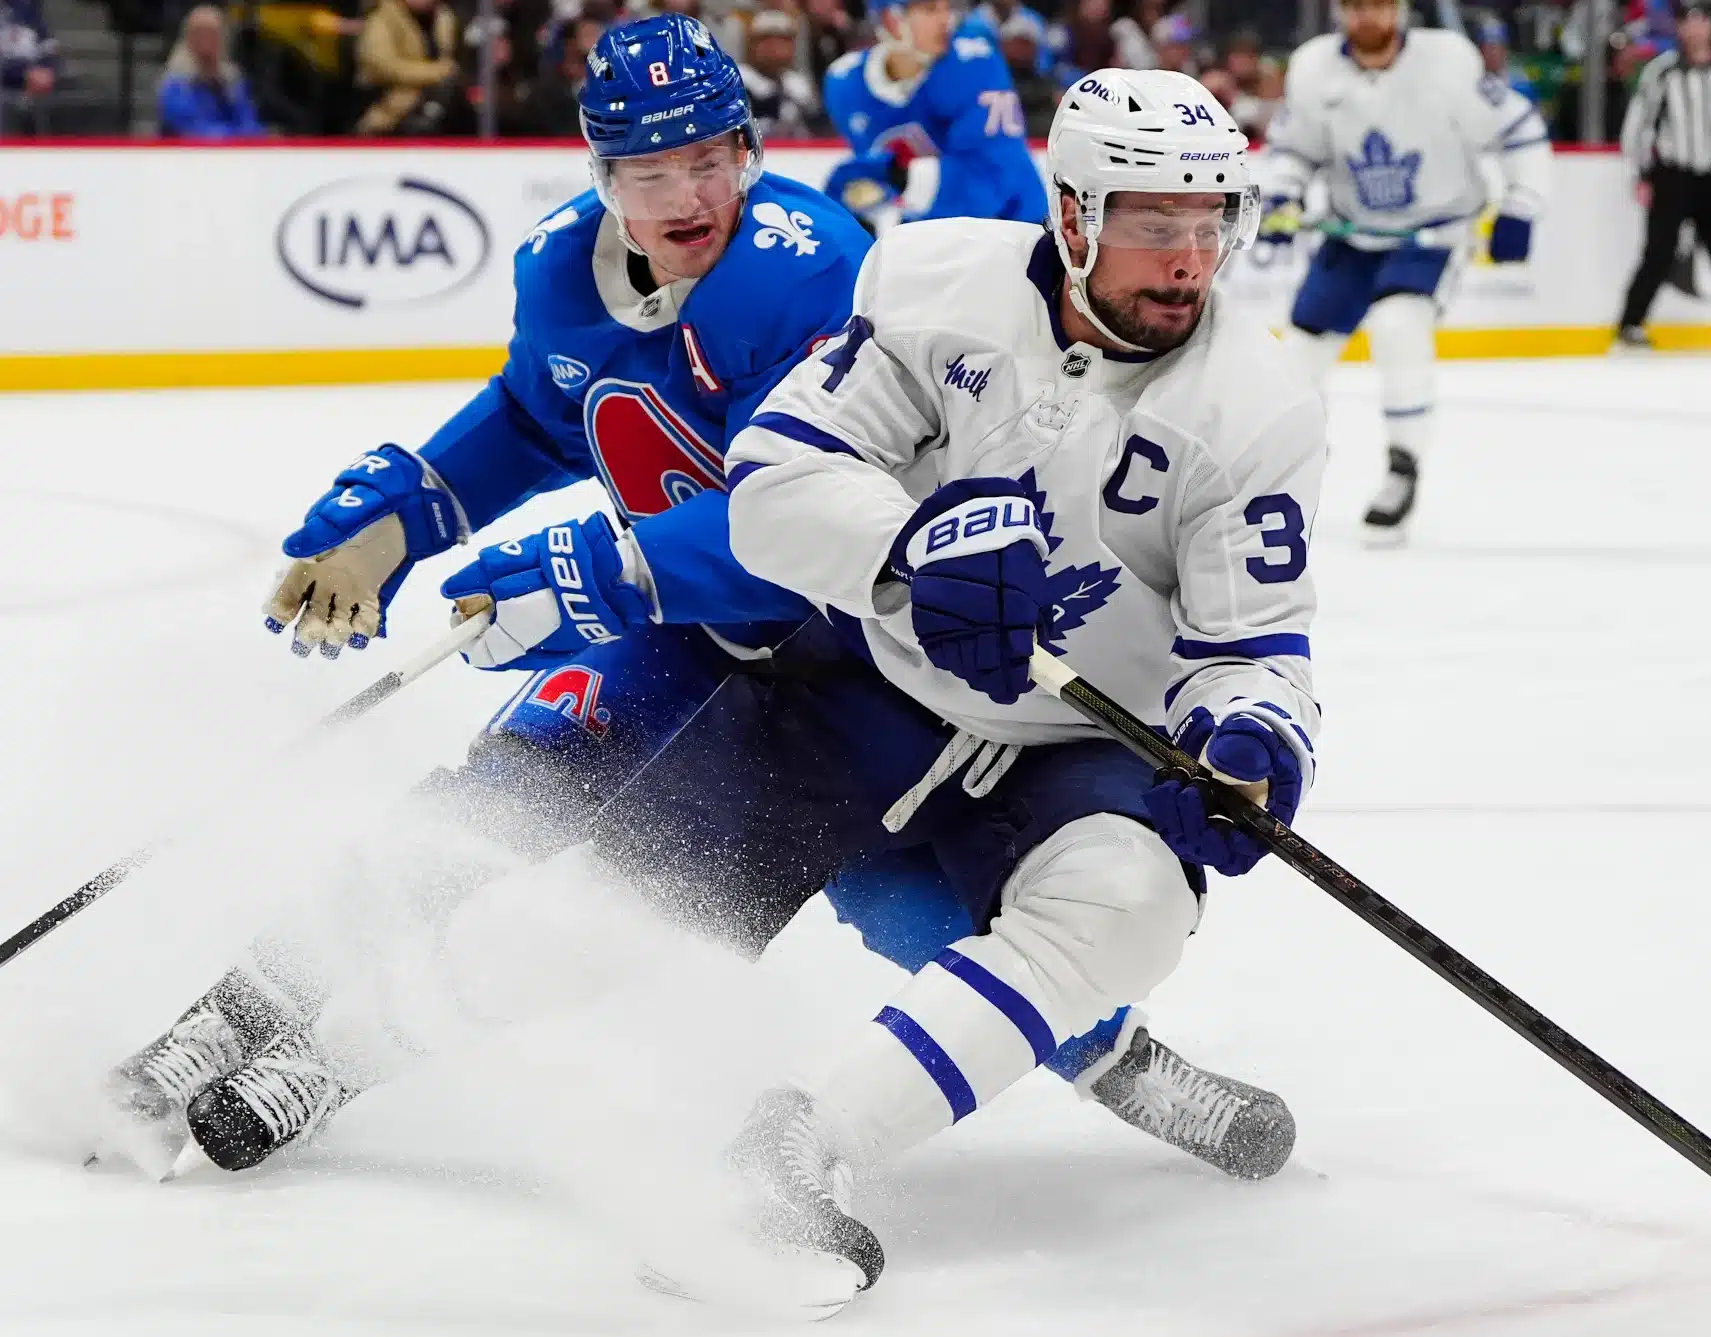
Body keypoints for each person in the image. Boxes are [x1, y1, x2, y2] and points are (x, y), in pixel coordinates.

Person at [100, 17, 1290, 1195]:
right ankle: (247, 1012)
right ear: (597, 171)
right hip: (682, 634)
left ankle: (1123, 1061)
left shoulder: (806, 267)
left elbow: (800, 503)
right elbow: (529, 417)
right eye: (648, 168)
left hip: (845, 655)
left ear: (749, 154)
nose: (686, 195)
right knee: (497, 801)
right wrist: (397, 523)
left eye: (709, 159)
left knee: (914, 907)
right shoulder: (562, 273)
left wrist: (601, 564)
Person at [690, 66, 1324, 1308]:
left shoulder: (1256, 406)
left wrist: (1246, 739)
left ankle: (793, 1148)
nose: (1189, 260)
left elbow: (1254, 646)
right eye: (1153, 223)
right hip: (867, 690)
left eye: (1211, 225)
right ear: (1072, 213)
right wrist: (907, 549)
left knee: (1130, 905)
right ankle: (1113, 1057)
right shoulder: (932, 283)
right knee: (614, 899)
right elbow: (769, 481)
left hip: (1063, 738)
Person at [1260, 0, 1551, 539]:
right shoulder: (1313, 67)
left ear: (1398, 8)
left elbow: (1519, 129)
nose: (1367, 16)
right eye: (1354, 5)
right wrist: (1281, 196)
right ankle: (1293, 466)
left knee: (1399, 327)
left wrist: (1522, 204)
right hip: (1352, 232)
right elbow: (1293, 150)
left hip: (1431, 233)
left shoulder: (1449, 62)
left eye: (1378, 3)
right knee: (1296, 359)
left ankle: (1403, 466)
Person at [1613, 1, 1711, 355]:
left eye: (1703, 21)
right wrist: (1640, 173)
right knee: (1658, 252)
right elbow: (1640, 125)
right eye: (1690, 21)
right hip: (1673, 174)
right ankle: (1630, 324)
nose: (1696, 29)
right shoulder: (1663, 72)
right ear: (1680, 28)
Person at [820, 0, 1045, 234]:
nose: (945, 20)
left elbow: (991, 178)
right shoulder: (845, 83)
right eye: (930, 10)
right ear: (891, 19)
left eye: (947, 8)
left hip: (1016, 229)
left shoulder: (976, 64)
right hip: (928, 234)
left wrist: (899, 179)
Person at [157, 5, 266, 139]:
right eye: (200, 33)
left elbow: (249, 122)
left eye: (212, 33)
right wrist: (232, 136)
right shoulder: (176, 82)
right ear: (189, 38)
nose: (206, 40)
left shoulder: (231, 79)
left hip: (234, 153)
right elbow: (188, 128)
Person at [353, 0, 461, 134]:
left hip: (441, 103)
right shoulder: (382, 17)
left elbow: (454, 59)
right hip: (391, 111)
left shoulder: (444, 17)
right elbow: (382, 66)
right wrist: (437, 73)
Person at [739, 8, 821, 139]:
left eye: (784, 42)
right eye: (767, 41)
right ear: (751, 45)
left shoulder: (798, 84)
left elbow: (817, 131)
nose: (777, 49)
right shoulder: (736, 81)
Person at [0, 0, 58, 134]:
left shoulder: (27, 9)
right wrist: (23, 72)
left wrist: (47, 69)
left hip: (31, 81)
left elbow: (49, 45)